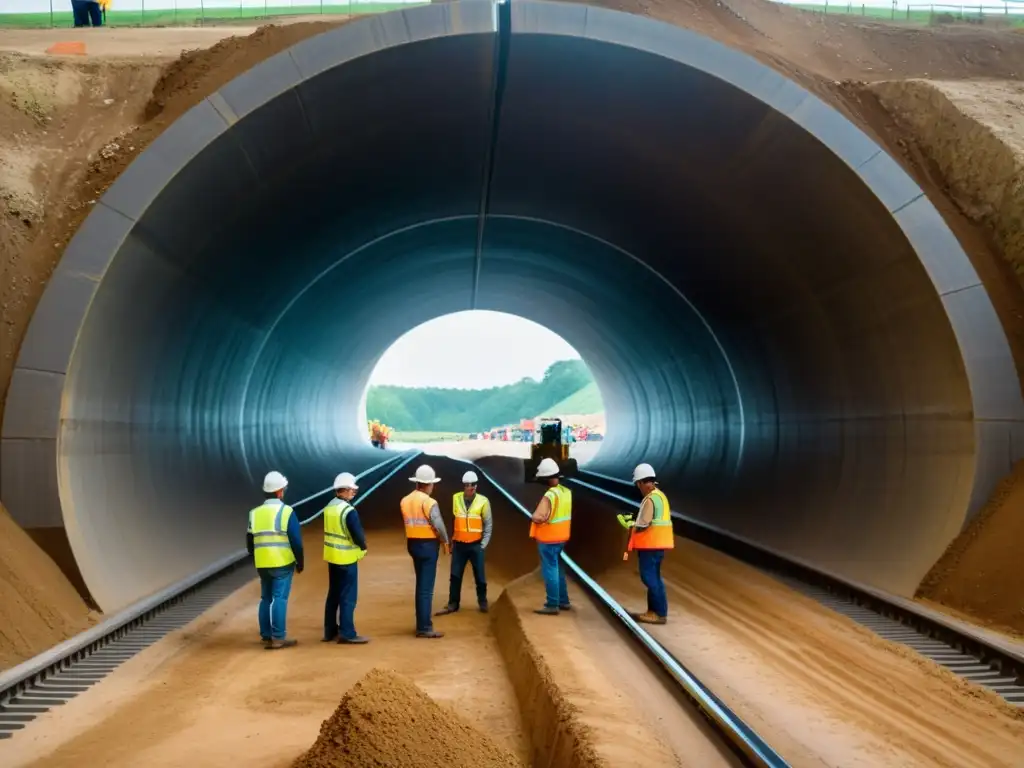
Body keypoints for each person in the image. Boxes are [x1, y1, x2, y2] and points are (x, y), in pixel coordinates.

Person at [246, 470, 304, 649]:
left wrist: (255, 558)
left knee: (266, 598)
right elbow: (295, 540)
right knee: (280, 598)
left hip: (262, 562)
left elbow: (249, 540)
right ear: (279, 492)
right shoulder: (286, 512)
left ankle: (266, 634)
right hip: (282, 562)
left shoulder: (254, 513)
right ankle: (278, 637)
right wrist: (300, 561)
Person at [616, 463, 674, 625]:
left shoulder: (650, 499)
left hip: (650, 545)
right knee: (654, 577)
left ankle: (658, 613)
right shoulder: (660, 496)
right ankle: (653, 611)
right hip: (658, 545)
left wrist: (629, 524)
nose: (638, 488)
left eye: (638, 484)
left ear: (641, 482)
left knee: (649, 578)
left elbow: (644, 524)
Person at [401, 464, 450, 638]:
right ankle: (424, 627)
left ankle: (421, 623)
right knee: (426, 588)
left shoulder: (405, 500)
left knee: (421, 584)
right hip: (428, 545)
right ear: (429, 484)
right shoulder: (429, 502)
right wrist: (445, 540)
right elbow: (438, 524)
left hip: (413, 544)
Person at [322, 472, 370, 645]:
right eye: (353, 490)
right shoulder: (348, 511)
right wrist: (363, 547)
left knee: (333, 594)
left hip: (332, 557)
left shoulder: (329, 507)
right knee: (348, 596)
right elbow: (357, 534)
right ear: (346, 490)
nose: (354, 493)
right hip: (347, 558)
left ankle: (329, 631)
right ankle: (347, 632)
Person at [436, 471, 492, 616]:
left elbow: (488, 524)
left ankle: (483, 601)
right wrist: (452, 539)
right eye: (468, 485)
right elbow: (453, 520)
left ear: (476, 485)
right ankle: (453, 603)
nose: (470, 487)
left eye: (473, 484)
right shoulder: (456, 498)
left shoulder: (483, 501)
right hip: (459, 545)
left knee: (480, 576)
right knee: (455, 575)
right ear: (464, 486)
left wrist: (483, 544)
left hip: (475, 544)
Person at [529, 458, 572, 615]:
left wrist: (534, 516)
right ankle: (563, 601)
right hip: (562, 536)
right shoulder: (565, 492)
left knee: (550, 569)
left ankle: (552, 603)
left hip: (548, 538)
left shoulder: (550, 495)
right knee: (558, 567)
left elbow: (538, 516)